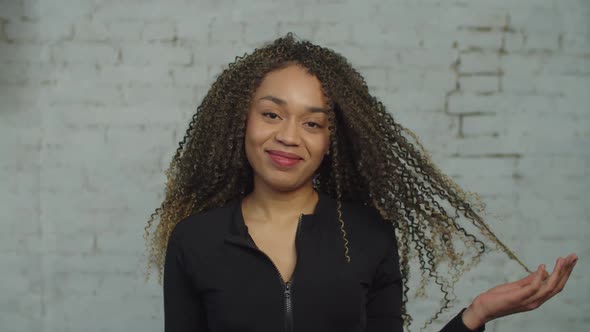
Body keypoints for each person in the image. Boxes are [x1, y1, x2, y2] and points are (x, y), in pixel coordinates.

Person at [143, 33, 578, 331]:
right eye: (272, 114)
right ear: (242, 120)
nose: (288, 136)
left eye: (313, 123)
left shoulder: (368, 235)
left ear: (332, 141)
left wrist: (475, 316)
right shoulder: (195, 242)